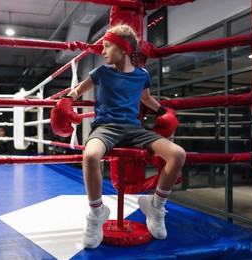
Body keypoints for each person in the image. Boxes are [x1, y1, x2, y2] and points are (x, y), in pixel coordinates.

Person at [51, 24, 186, 249]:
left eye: (107, 46)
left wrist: (164, 112)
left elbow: (146, 99)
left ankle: (156, 205)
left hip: (134, 129)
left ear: (123, 48)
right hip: (105, 127)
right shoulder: (102, 72)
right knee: (91, 156)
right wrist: (66, 99)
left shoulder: (142, 75)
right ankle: (97, 213)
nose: (103, 51)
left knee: (178, 154)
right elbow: (77, 90)